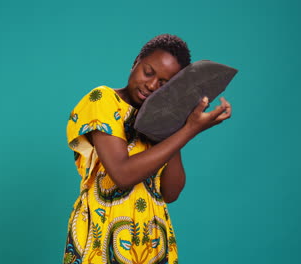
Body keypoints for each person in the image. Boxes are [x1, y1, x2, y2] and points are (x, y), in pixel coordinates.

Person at [63, 34, 232, 264]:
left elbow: (170, 193)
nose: (151, 85)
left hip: (152, 239)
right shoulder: (103, 100)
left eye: (164, 84)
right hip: (103, 237)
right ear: (136, 61)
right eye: (148, 72)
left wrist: (177, 121)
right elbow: (123, 175)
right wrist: (190, 130)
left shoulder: (162, 121)